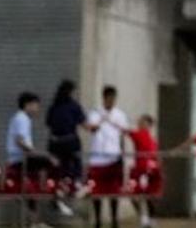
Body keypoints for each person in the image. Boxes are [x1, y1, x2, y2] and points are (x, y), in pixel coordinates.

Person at [7, 91, 56, 228]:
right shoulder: (22, 118)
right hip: (21, 160)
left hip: (21, 160)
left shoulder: (20, 118)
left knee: (30, 191)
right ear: (27, 105)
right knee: (52, 161)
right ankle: (55, 191)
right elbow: (19, 141)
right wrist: (34, 153)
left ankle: (35, 221)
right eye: (36, 105)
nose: (37, 109)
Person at [88, 86, 130, 228]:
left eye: (113, 98)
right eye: (109, 98)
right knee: (97, 191)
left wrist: (123, 154)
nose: (111, 101)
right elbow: (92, 129)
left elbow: (123, 134)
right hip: (97, 158)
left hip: (114, 157)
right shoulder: (95, 112)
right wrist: (101, 119)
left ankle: (114, 219)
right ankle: (98, 220)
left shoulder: (120, 114)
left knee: (114, 190)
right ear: (104, 98)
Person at [45, 79, 90, 196]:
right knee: (76, 163)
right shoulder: (74, 106)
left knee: (62, 166)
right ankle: (77, 185)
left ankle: (61, 187)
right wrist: (94, 128)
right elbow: (84, 124)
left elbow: (49, 123)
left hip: (55, 143)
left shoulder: (54, 106)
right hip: (70, 142)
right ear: (70, 92)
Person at [128, 114, 161, 228]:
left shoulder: (149, 138)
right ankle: (144, 217)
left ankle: (150, 219)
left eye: (143, 122)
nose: (140, 124)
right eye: (139, 122)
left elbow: (156, 157)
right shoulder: (139, 135)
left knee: (148, 196)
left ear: (149, 125)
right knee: (134, 195)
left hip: (148, 171)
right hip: (138, 171)